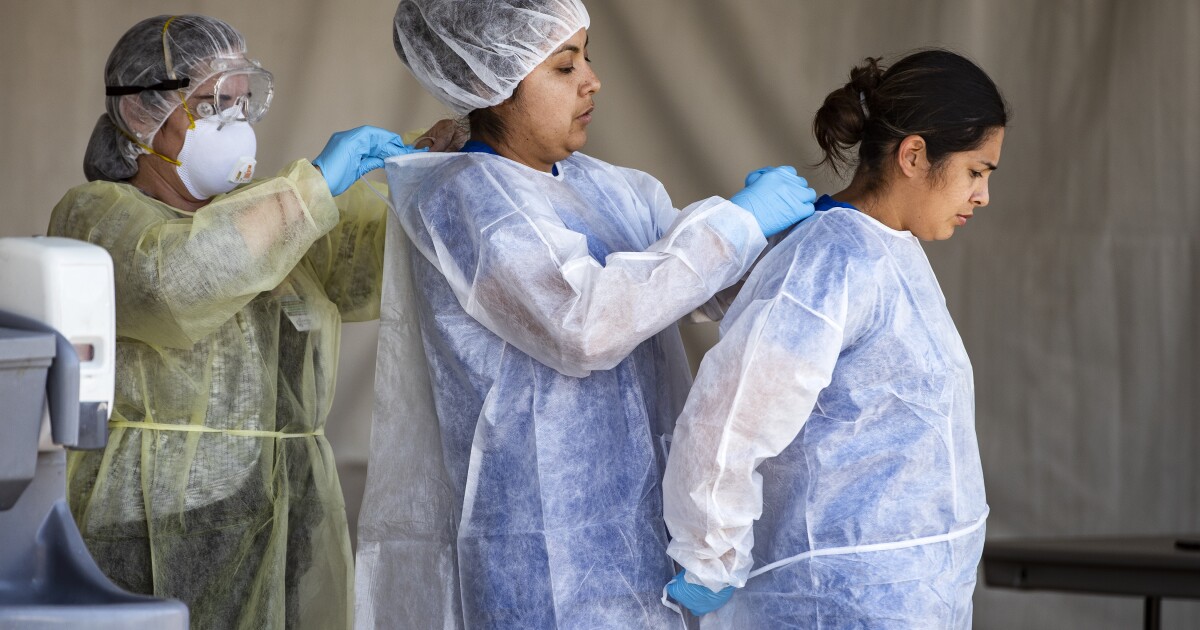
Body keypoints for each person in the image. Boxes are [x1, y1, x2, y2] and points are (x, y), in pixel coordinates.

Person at [354, 0, 817, 627]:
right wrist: (736, 223)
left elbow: (694, 286)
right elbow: (584, 325)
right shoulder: (468, 198)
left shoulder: (610, 187)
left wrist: (782, 238)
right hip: (540, 542)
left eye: (587, 56)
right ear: (491, 85)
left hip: (640, 530)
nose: (593, 79)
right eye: (564, 66)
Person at [48, 14, 459, 630]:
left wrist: (437, 174)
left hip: (282, 520)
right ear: (141, 114)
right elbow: (179, 283)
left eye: (243, 106)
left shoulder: (268, 219)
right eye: (214, 105)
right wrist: (313, 189)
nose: (235, 125)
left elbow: (376, 265)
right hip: (149, 533)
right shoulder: (99, 218)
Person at [661, 49, 1009, 627]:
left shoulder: (890, 252)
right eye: (976, 171)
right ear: (915, 154)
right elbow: (731, 415)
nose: (983, 196)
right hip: (832, 600)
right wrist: (710, 556)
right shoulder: (831, 258)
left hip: (905, 594)